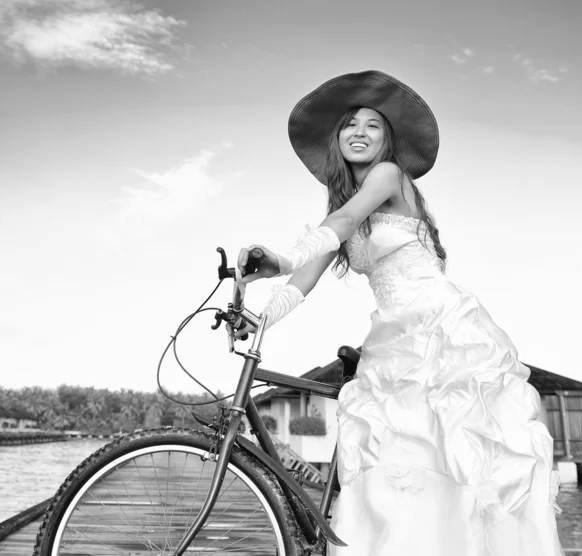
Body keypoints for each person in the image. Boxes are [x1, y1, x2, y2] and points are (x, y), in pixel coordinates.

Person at [236, 70, 565, 556]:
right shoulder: (344, 210)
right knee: (386, 469)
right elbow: (306, 277)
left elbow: (339, 225)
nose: (361, 132)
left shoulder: (389, 176)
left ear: (388, 139)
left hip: (438, 330)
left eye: (373, 124)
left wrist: (281, 257)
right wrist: (261, 317)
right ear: (336, 139)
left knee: (447, 460)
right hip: (391, 342)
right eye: (350, 124)